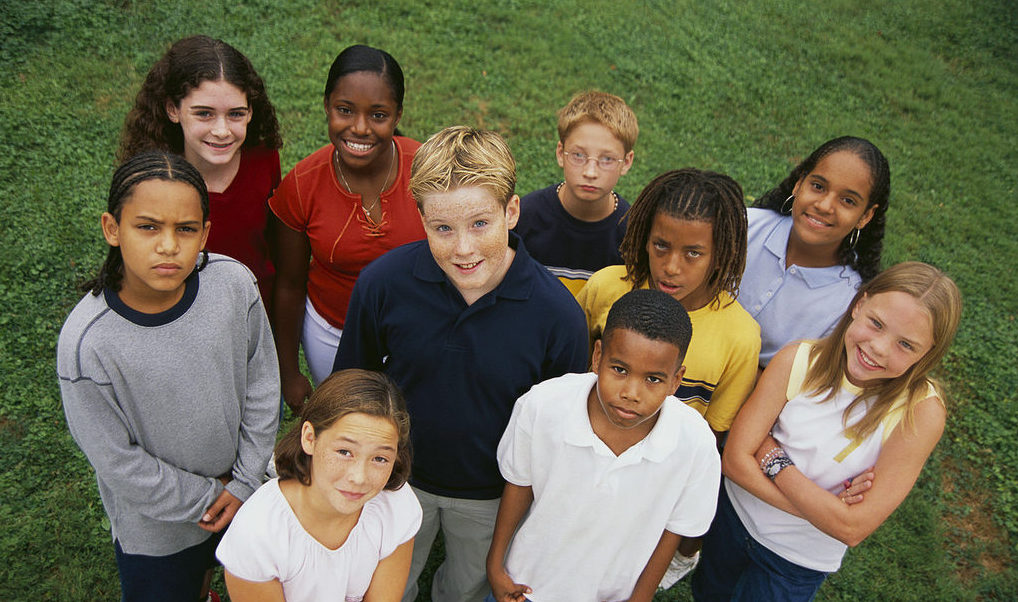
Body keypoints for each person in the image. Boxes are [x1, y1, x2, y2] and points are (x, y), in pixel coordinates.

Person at [334, 126, 589, 602]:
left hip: (491, 494)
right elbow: (353, 383)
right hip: (395, 480)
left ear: (511, 212)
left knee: (466, 588)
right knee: (383, 586)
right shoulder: (383, 285)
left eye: (480, 224)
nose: (463, 249)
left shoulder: (558, 317)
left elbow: (559, 432)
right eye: (443, 229)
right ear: (422, 218)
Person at [57, 152, 280, 602]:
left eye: (185, 229)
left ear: (206, 233)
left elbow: (262, 383)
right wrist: (205, 497)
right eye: (147, 226)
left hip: (246, 492)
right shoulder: (88, 345)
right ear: (111, 229)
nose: (167, 245)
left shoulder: (233, 285)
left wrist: (243, 481)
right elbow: (116, 459)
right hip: (158, 530)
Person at [692, 262, 962, 601]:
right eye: (876, 323)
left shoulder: (920, 412)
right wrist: (826, 511)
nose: (879, 348)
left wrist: (772, 457)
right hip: (732, 517)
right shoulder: (798, 359)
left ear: (929, 354)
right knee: (708, 594)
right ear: (859, 305)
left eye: (905, 345)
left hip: (795, 561)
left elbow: (852, 528)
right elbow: (733, 462)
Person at [486, 289, 720, 602]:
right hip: (527, 584)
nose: (631, 392)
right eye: (620, 370)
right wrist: (496, 563)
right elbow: (518, 484)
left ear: (676, 380)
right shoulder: (543, 405)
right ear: (598, 357)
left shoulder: (696, 443)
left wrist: (640, 598)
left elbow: (673, 531)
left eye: (653, 379)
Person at [270, 44, 425, 412]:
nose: (359, 128)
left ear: (398, 114)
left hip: (419, 330)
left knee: (411, 424)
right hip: (333, 336)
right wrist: (289, 371)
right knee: (347, 423)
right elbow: (289, 285)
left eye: (378, 114)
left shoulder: (428, 169)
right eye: (345, 110)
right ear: (327, 106)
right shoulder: (301, 185)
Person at [577, 168, 760, 437]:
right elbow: (567, 375)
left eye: (693, 253)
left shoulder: (741, 337)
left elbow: (713, 433)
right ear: (645, 239)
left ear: (721, 254)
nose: (671, 267)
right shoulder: (604, 287)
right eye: (661, 245)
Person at [216, 369, 422, 601]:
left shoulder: (395, 504)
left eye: (379, 458)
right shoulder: (256, 535)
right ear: (309, 438)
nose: (359, 478)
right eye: (344, 451)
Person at [119, 35, 283, 308]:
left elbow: (275, 242)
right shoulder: (151, 181)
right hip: (184, 314)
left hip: (255, 305)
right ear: (173, 109)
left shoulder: (264, 158)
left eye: (236, 114)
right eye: (204, 114)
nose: (222, 131)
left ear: (251, 111)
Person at [739, 136, 890, 368]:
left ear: (865, 216)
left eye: (847, 201)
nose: (824, 205)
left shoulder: (847, 304)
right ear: (799, 184)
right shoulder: (745, 226)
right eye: (818, 187)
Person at [513, 90, 637, 295]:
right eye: (578, 155)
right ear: (560, 153)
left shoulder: (633, 235)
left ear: (627, 162)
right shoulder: (524, 218)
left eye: (607, 159)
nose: (590, 172)